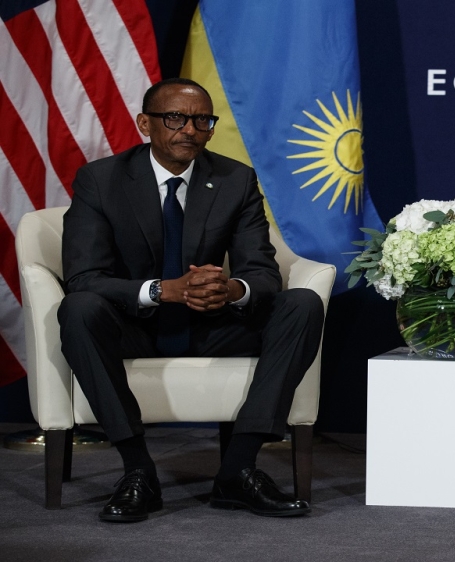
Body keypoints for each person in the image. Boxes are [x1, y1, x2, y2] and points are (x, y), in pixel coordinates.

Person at [58, 77, 325, 523]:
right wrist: (162, 290)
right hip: (134, 328)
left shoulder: (235, 179)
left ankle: (238, 469)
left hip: (211, 324)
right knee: (79, 309)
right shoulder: (101, 180)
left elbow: (261, 272)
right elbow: (84, 277)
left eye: (203, 120)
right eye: (176, 118)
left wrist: (231, 289)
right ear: (145, 123)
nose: (190, 130)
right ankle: (138, 470)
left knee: (302, 304)